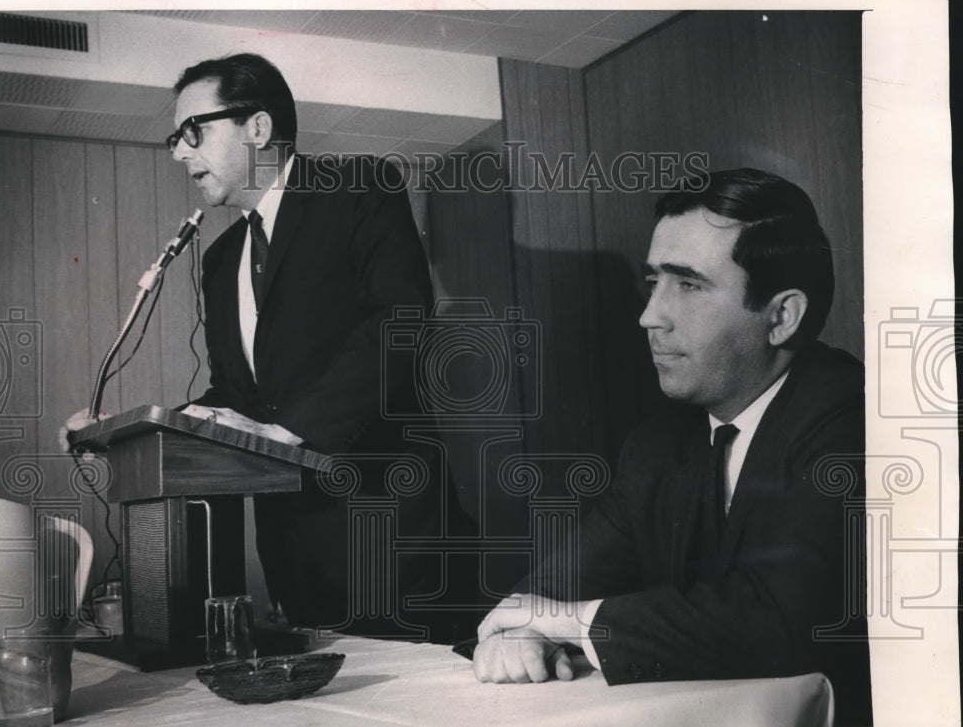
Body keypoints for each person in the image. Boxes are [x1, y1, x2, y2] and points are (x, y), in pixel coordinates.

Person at [63, 53, 462, 641]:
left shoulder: (359, 189)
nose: (178, 151)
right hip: (291, 547)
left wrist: (289, 432)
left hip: (388, 528)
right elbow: (237, 392)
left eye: (191, 132)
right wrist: (129, 432)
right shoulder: (221, 262)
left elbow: (398, 323)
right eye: (175, 138)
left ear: (258, 127)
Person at [472, 168, 871, 725]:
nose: (648, 315)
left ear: (781, 316)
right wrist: (524, 635)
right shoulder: (658, 445)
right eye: (654, 280)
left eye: (687, 284)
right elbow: (545, 592)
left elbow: (787, 617)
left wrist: (571, 623)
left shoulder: (858, 419)